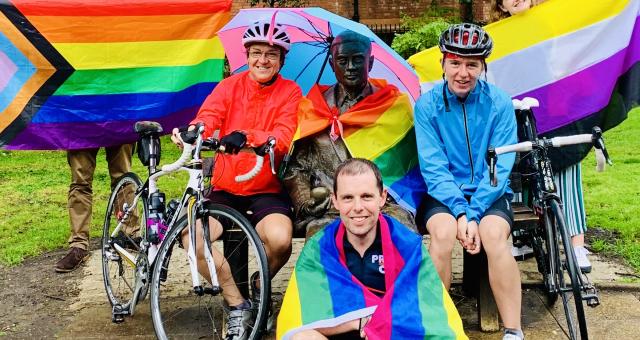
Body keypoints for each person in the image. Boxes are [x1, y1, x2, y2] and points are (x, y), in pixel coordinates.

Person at [171, 21, 302, 340]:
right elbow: (209, 115)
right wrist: (195, 130)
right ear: (246, 56)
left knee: (281, 239)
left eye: (271, 54)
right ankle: (238, 304)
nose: (263, 60)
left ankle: (261, 285)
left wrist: (246, 136)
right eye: (256, 53)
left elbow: (283, 138)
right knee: (193, 242)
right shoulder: (229, 86)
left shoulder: (290, 92)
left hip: (267, 190)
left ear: (281, 60)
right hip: (225, 190)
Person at [414, 23, 524, 340]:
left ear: (483, 66)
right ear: (443, 64)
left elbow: (501, 165)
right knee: (443, 234)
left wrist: (474, 214)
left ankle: (513, 330)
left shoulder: (499, 103)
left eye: (472, 64)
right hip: (444, 195)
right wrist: (461, 212)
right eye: (455, 63)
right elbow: (433, 168)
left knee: (494, 237)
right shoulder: (427, 106)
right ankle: (437, 325)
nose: (463, 72)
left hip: (490, 195)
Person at [277, 158, 466, 340]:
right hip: (344, 335)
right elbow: (300, 318)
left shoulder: (406, 245)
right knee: (302, 336)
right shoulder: (319, 248)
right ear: (335, 201)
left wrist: (379, 323)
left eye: (366, 197)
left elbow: (427, 311)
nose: (357, 207)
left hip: (392, 335)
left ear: (382, 198)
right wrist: (358, 322)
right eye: (348, 198)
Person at [283, 30, 416, 238]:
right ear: (331, 63)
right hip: (331, 207)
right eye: (343, 60)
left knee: (403, 232)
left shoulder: (392, 106)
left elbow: (407, 166)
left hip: (381, 205)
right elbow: (295, 168)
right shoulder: (314, 107)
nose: (351, 67)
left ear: (370, 63)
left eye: (358, 60)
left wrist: (387, 197)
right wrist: (306, 202)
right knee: (321, 239)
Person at [495, 0, 592, 272]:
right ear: (500, 5)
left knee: (566, 168)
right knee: (512, 171)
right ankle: (521, 237)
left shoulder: (553, 24)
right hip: (515, 114)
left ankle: (576, 245)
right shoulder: (497, 35)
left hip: (557, 111)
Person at [55, 145, 133, 273]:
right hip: (80, 128)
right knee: (80, 183)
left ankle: (130, 236)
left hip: (117, 126)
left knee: (123, 178)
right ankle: (79, 245)